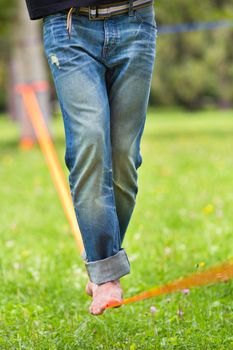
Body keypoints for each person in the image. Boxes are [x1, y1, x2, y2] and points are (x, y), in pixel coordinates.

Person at [25, 0, 157, 315]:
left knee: (125, 159)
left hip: (135, 20)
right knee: (89, 144)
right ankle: (106, 275)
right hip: (69, 28)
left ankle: (101, 262)